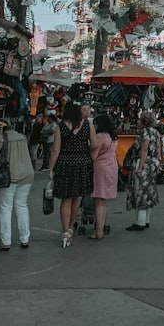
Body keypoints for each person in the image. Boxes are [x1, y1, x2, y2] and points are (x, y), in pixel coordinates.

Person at [48, 102, 93, 248]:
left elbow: (55, 149)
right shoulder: (87, 125)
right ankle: (71, 227)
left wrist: (50, 169)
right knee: (77, 196)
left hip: (65, 163)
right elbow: (94, 143)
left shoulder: (60, 127)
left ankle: (65, 229)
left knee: (65, 198)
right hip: (82, 162)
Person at [0, 121, 34, 251]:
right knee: (22, 205)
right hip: (27, 174)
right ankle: (25, 238)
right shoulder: (22, 137)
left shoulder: (1, 138)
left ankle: (6, 241)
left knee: (6, 207)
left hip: (11, 175)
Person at [125, 110, 161, 232]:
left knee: (140, 191)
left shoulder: (144, 133)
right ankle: (146, 220)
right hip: (153, 164)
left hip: (143, 164)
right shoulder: (156, 132)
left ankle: (139, 222)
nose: (137, 121)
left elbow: (144, 150)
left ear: (144, 122)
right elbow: (158, 149)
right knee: (148, 191)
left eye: (139, 119)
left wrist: (140, 167)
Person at [89, 113, 119, 240]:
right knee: (103, 202)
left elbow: (93, 156)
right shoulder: (113, 137)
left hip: (101, 168)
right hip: (112, 167)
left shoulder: (100, 136)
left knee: (99, 202)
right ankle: (101, 227)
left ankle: (99, 231)